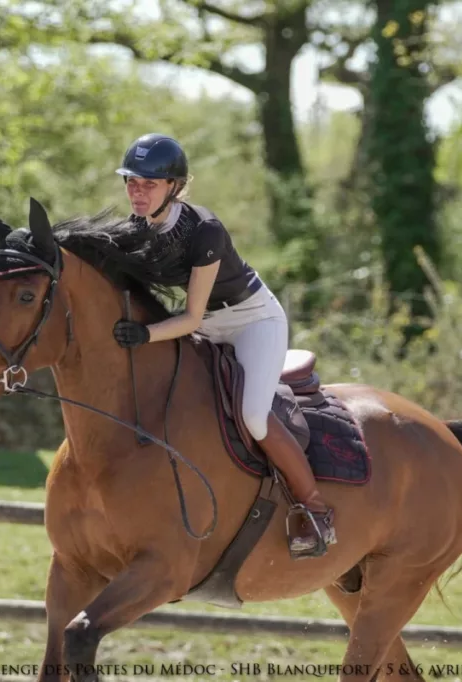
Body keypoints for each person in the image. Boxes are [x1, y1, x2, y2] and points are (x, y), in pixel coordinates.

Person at [110, 133, 336, 558]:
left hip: (253, 322)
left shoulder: (204, 231)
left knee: (253, 415)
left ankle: (315, 510)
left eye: (148, 184)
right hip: (207, 326)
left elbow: (191, 317)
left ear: (173, 187)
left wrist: (145, 335)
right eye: (131, 182)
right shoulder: (137, 226)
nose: (137, 192)